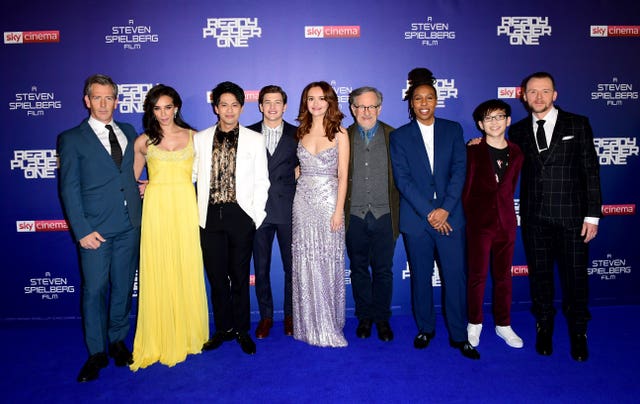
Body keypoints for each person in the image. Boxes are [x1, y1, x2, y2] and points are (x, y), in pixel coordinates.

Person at [509, 72, 601, 361]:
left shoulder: (577, 123)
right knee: (541, 278)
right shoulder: (519, 130)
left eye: (544, 91)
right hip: (535, 219)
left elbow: (591, 172)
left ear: (555, 95)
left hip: (572, 217)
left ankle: (578, 332)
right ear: (523, 96)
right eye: (532, 92)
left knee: (575, 278)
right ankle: (544, 327)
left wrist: (593, 216)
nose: (538, 97)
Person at [58, 74, 142, 382]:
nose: (104, 104)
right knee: (94, 290)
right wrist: (81, 230)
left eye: (109, 98)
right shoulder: (71, 138)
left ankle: (118, 340)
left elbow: (126, 175)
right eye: (98, 97)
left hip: (130, 224)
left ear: (117, 101)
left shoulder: (130, 130)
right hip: (95, 229)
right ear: (87, 100)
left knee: (123, 287)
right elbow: (69, 188)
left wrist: (140, 186)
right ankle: (96, 352)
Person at [390, 79, 479, 359]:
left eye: (429, 98)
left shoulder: (453, 130)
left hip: (451, 218)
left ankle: (459, 335)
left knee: (454, 277)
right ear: (411, 103)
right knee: (421, 278)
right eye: (418, 98)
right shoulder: (399, 136)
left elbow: (459, 173)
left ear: (437, 101)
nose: (424, 103)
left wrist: (445, 210)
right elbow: (403, 180)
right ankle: (425, 328)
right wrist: (430, 212)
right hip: (417, 221)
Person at [129, 84, 209, 370]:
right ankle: (159, 336)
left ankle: (189, 333)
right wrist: (145, 185)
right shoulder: (143, 142)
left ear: (176, 107)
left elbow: (207, 175)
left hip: (186, 208)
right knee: (159, 266)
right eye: (157, 108)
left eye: (167, 107)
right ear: (151, 110)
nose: (163, 113)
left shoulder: (195, 137)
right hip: (157, 211)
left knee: (185, 264)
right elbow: (129, 179)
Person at [193, 81, 270, 355]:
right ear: (215, 107)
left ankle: (241, 329)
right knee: (216, 277)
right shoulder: (200, 138)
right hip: (210, 217)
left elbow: (262, 180)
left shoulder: (255, 139)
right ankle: (223, 329)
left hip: (241, 215)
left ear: (241, 107)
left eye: (234, 105)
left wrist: (255, 217)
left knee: (239, 276)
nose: (229, 110)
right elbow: (190, 176)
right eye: (223, 105)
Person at [462, 99, 524, 349]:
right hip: (479, 224)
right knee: (477, 276)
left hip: (507, 222)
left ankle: (503, 324)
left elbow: (510, 187)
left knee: (503, 277)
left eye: (499, 117)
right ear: (480, 124)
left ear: (508, 120)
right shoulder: (473, 151)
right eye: (488, 118)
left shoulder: (518, 152)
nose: (495, 122)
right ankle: (474, 322)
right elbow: (464, 190)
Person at [292, 81, 349, 347]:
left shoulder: (340, 133)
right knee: (306, 260)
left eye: (321, 98)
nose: (316, 103)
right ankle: (308, 323)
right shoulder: (300, 132)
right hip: (302, 203)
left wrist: (339, 211)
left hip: (329, 205)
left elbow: (344, 176)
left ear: (330, 102)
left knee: (326, 261)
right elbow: (300, 168)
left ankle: (328, 323)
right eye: (311, 98)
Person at [345, 86, 399, 342]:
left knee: (383, 271)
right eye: (361, 107)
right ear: (353, 109)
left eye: (371, 106)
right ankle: (364, 317)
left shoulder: (394, 137)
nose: (366, 112)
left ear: (379, 108)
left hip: (385, 215)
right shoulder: (342, 137)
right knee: (358, 270)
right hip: (353, 216)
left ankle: (382, 319)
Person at [247, 85, 298, 339]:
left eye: (277, 102)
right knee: (262, 267)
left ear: (285, 106)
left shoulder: (298, 134)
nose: (272, 107)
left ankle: (290, 316)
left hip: (288, 209)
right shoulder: (248, 133)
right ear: (260, 105)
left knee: (292, 267)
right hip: (258, 211)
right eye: (267, 102)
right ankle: (266, 316)